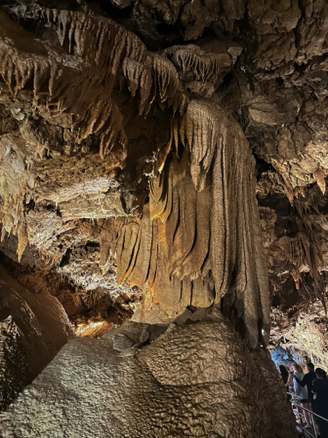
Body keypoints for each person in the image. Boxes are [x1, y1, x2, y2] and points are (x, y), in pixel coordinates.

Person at [291, 363, 311, 428]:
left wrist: (296, 392)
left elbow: (296, 385)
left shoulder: (295, 374)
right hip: (306, 393)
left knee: (304, 409)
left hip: (301, 394)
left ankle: (308, 423)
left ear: (293, 367)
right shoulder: (302, 374)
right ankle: (310, 421)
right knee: (308, 408)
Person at [312, 368, 328, 437]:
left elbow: (314, 392)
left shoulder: (316, 382)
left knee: (321, 420)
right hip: (326, 402)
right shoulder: (326, 381)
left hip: (320, 403)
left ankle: (324, 434)